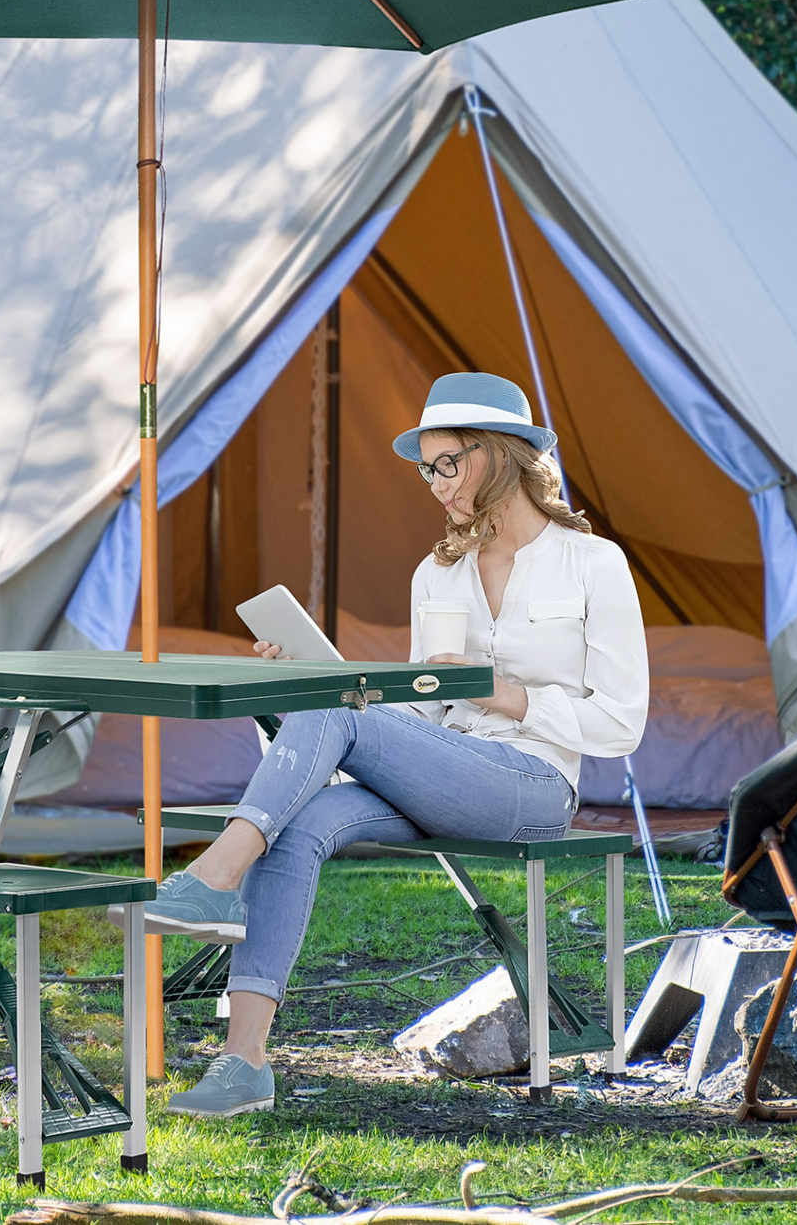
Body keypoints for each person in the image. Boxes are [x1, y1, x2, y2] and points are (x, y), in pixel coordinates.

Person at [113, 371, 648, 1118]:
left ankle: (214, 874)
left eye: (446, 464)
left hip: (529, 785)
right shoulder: (437, 572)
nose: (433, 483)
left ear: (498, 453)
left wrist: (501, 692)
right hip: (441, 773)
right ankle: (242, 1062)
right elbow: (417, 720)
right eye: (425, 468)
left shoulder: (593, 563)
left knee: (339, 709)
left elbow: (622, 722)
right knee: (301, 817)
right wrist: (307, 681)